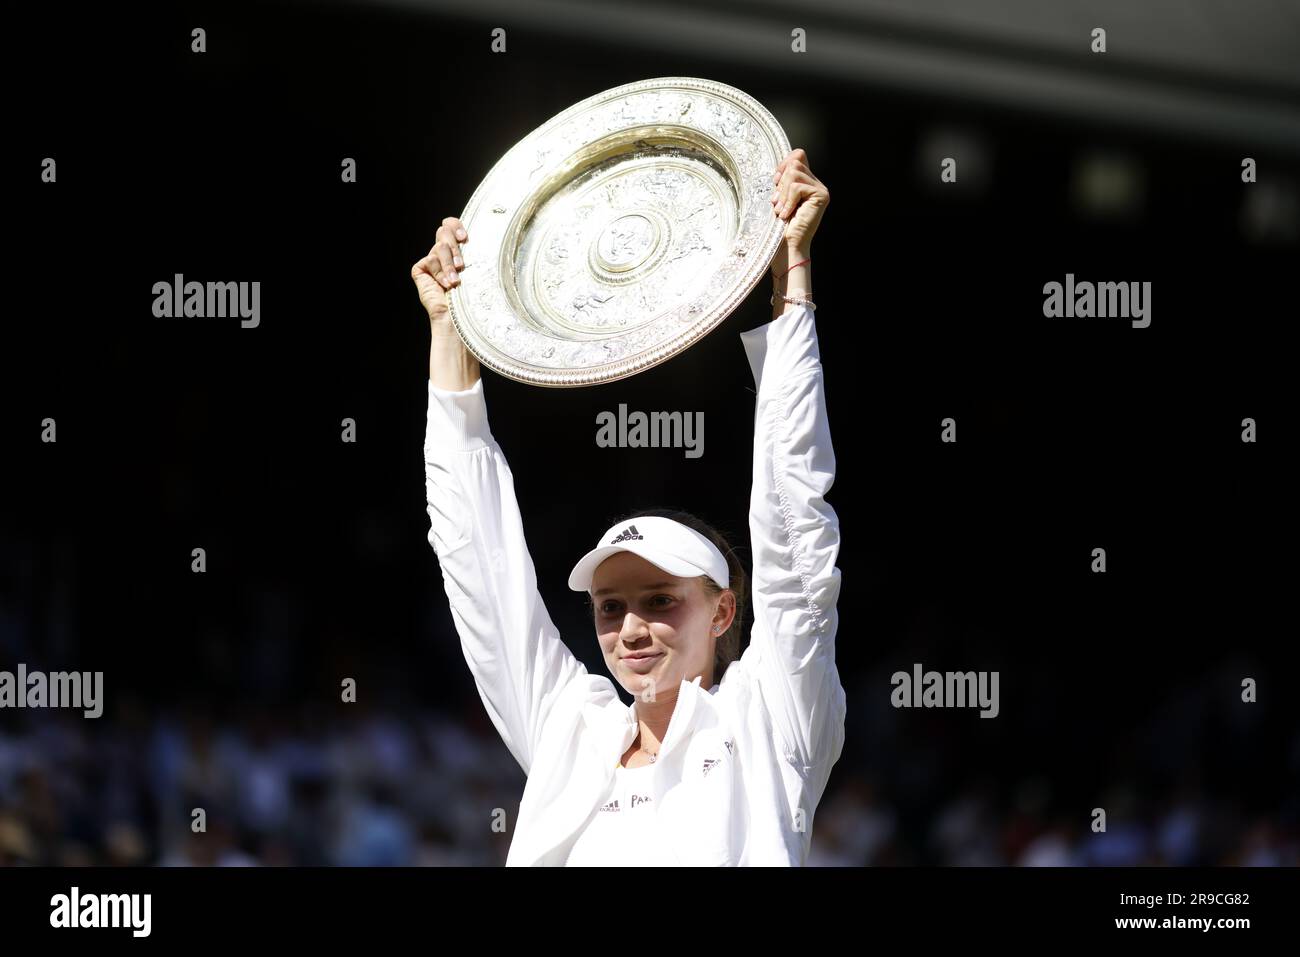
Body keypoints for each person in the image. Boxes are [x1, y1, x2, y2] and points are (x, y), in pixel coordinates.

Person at [412, 148, 843, 865]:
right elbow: (477, 566)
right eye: (611, 607)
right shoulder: (570, 734)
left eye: (661, 599)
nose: (632, 628)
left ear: (725, 610)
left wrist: (790, 279)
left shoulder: (770, 721)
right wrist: (452, 332)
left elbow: (795, 527)